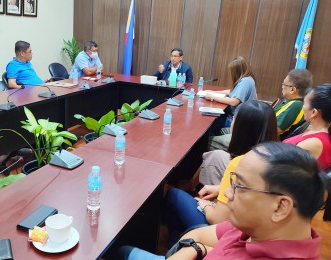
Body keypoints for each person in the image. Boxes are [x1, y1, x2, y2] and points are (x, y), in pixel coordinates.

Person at [120, 142, 325, 259]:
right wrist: (196, 248)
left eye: (240, 187)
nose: (228, 194)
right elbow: (199, 233)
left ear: (281, 207)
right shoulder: (259, 226)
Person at [166, 101, 279, 240]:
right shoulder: (275, 159)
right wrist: (219, 188)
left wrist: (206, 206)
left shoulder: (239, 164)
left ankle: (181, 244)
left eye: (233, 119)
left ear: (240, 128)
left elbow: (218, 220)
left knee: (172, 194)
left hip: (228, 234)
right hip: (251, 231)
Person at [208, 68, 312, 151]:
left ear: (293, 89)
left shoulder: (294, 106)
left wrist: (245, 128)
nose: (282, 87)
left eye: (284, 84)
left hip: (256, 141)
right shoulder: (291, 103)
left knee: (208, 141)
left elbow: (272, 130)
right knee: (218, 129)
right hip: (255, 134)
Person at [283, 83, 331, 170]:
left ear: (314, 112)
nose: (303, 107)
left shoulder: (314, 143)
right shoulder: (316, 134)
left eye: (304, 103)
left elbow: (283, 170)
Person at [206, 56, 257, 135]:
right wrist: (214, 92)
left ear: (237, 71)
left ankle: (210, 142)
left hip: (236, 120)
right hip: (239, 117)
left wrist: (212, 97)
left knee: (210, 123)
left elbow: (234, 102)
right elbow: (232, 91)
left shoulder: (245, 81)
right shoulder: (248, 78)